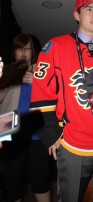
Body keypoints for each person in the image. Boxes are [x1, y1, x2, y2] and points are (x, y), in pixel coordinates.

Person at [30, 0, 93, 202]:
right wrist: (51, 133)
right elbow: (41, 91)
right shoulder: (55, 46)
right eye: (89, 9)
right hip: (74, 143)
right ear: (76, 15)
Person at [0, 33, 53, 202]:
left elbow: (57, 95)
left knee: (41, 182)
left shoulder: (42, 70)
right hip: (11, 136)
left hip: (38, 137)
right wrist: (11, 80)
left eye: (27, 48)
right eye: (19, 49)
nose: (23, 52)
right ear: (14, 52)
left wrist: (37, 82)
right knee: (11, 185)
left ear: (33, 52)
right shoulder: (5, 72)